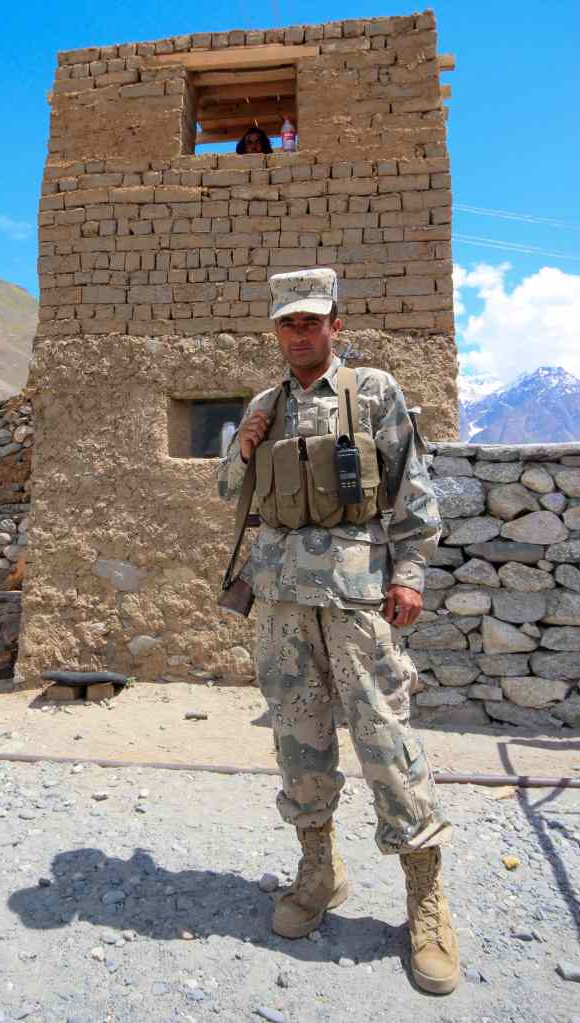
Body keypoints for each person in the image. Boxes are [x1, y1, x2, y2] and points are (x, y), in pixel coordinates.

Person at [217, 268, 460, 995]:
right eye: (287, 322)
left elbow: (414, 495)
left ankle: (425, 899)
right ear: (274, 330)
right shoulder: (262, 404)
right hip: (282, 604)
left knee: (385, 740)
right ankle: (319, 870)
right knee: (299, 742)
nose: (298, 332)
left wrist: (409, 573)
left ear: (334, 326)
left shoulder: (373, 392)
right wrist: (243, 447)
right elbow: (228, 494)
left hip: (356, 603)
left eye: (311, 321)